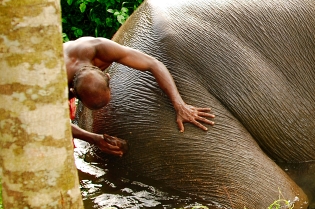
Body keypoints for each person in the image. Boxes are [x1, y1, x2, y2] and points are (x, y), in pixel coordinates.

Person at [65, 37, 215, 156]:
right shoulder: (56, 82)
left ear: (108, 77)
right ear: (74, 95)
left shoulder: (98, 48)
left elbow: (153, 64)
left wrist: (179, 105)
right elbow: (48, 121)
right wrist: (94, 139)